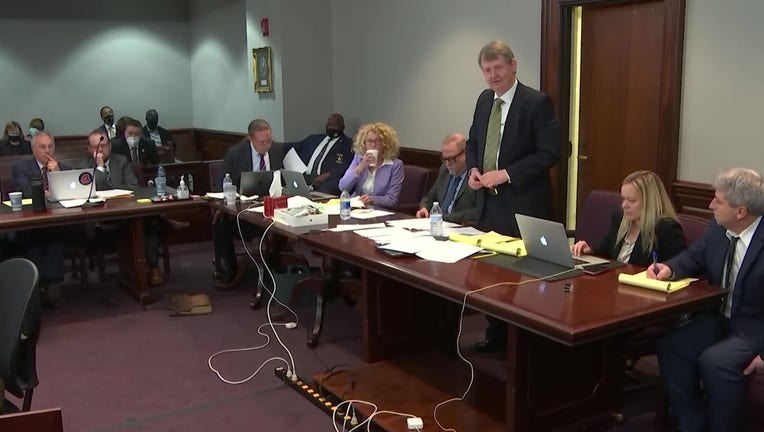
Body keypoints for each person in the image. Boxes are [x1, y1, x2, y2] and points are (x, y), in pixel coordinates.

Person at [648, 168, 764, 432]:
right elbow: (694, 257)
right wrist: (669, 268)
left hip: (755, 327)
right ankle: (691, 424)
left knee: (716, 361)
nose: (710, 204)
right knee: (673, 345)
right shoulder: (719, 226)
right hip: (717, 317)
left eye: (718, 201)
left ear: (741, 211)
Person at [465, 40, 561, 353]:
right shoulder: (483, 100)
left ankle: (524, 346)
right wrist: (474, 168)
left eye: (499, 68)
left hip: (522, 204)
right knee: (491, 274)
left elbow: (550, 153)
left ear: (513, 65)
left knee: (520, 278)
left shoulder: (536, 102)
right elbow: (473, 142)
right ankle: (496, 335)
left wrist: (506, 174)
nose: (493, 76)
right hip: (488, 204)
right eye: (487, 70)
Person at [78, 129, 164, 286]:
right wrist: (100, 168)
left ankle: (152, 268)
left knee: (151, 220)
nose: (100, 149)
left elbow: (133, 186)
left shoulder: (121, 161)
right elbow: (90, 191)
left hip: (126, 212)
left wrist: (111, 189)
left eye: (103, 145)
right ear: (90, 149)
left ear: (110, 146)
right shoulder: (83, 166)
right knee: (152, 220)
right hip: (101, 219)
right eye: (96, 146)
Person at [213, 119, 287, 288]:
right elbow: (220, 183)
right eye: (262, 142)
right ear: (250, 139)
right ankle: (229, 270)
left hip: (272, 209)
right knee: (221, 225)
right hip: (243, 211)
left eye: (269, 140)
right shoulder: (236, 153)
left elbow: (284, 179)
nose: (267, 145)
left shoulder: (277, 151)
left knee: (286, 225)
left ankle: (276, 263)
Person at [571, 170, 686, 265]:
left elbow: (676, 269)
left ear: (650, 202)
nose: (624, 205)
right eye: (623, 199)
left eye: (631, 200)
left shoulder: (667, 229)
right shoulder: (620, 217)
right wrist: (589, 250)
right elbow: (605, 250)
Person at [11, 132, 71, 306]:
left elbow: (70, 192)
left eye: (50, 146)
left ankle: (47, 285)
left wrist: (57, 175)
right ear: (33, 149)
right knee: (35, 238)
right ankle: (44, 286)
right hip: (31, 218)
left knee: (57, 235)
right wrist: (49, 191)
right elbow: (25, 191)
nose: (47, 150)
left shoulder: (63, 167)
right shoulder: (21, 167)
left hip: (57, 219)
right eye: (42, 147)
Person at [338, 122, 404, 209]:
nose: (373, 145)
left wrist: (372, 199)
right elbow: (343, 187)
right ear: (364, 144)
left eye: (378, 141)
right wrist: (361, 166)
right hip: (357, 208)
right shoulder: (359, 158)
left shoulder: (395, 165)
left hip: (378, 211)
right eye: (369, 141)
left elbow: (392, 200)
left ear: (385, 144)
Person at [416, 133, 475, 224]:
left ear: (466, 154)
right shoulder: (444, 170)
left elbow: (476, 212)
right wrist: (424, 208)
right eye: (445, 159)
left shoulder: (475, 176)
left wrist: (443, 217)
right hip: (437, 224)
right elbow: (430, 196)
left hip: (460, 227)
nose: (448, 164)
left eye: (452, 158)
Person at [293, 113, 353, 195]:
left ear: (343, 127)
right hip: (304, 177)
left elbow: (345, 164)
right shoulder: (313, 139)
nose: (332, 128)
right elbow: (295, 148)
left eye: (336, 125)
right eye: (330, 125)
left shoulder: (348, 144)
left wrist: (328, 175)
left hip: (325, 179)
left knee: (328, 187)